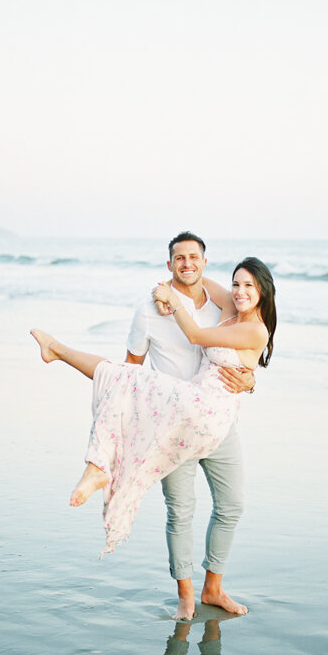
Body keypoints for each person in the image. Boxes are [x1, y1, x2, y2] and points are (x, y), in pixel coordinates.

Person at [29, 256, 276, 617]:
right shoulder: (230, 307)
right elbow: (196, 279)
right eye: (236, 283)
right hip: (191, 414)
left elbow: (194, 335)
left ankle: (95, 454)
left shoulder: (254, 328)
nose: (239, 291)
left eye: (249, 286)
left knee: (126, 378)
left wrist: (173, 302)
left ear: (264, 292)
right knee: (180, 508)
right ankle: (189, 596)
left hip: (204, 413)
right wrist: (164, 289)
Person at [125, 233, 256, 619]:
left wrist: (251, 381)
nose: (186, 263)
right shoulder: (150, 309)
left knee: (231, 505)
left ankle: (213, 588)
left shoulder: (224, 306)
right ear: (169, 265)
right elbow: (132, 370)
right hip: (174, 427)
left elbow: (245, 352)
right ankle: (185, 593)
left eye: (193, 257)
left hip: (221, 424)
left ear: (204, 262)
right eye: (178, 258)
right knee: (180, 510)